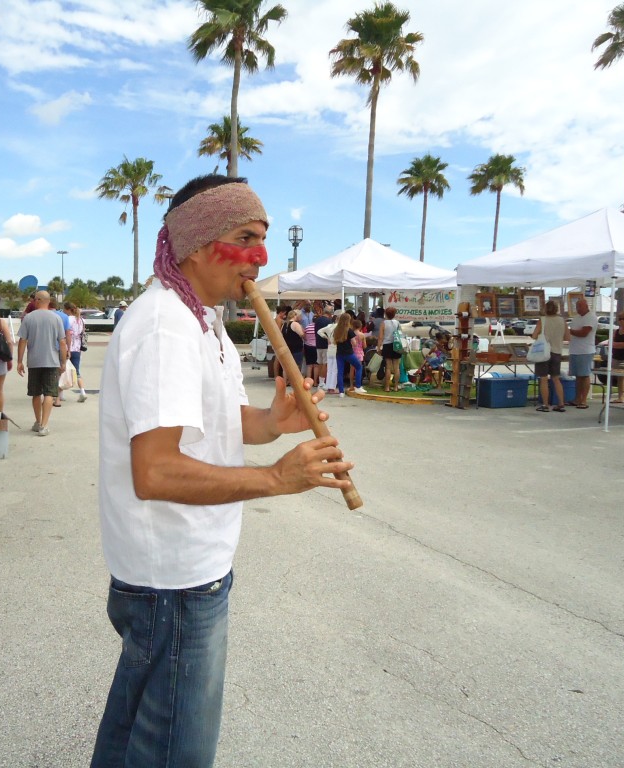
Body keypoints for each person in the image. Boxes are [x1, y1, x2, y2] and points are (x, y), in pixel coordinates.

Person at [92, 173, 353, 768]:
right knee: (174, 754)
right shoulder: (165, 327)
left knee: (134, 733)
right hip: (173, 581)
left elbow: (206, 420)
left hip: (178, 574)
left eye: (263, 238)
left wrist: (269, 423)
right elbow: (154, 471)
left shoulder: (198, 318)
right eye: (246, 237)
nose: (260, 257)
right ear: (198, 243)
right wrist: (276, 478)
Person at [16, 291, 67, 436]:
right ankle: (44, 425)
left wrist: (19, 361)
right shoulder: (56, 318)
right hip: (51, 361)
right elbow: (62, 342)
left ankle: (38, 422)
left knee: (36, 393)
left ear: (38, 300)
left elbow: (22, 341)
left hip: (34, 361)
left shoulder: (28, 318)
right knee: (50, 393)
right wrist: (63, 362)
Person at [532, 299, 569, 413]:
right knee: (556, 378)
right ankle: (561, 403)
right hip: (557, 352)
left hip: (544, 352)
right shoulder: (562, 321)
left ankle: (546, 404)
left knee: (544, 379)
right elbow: (568, 337)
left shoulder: (542, 320)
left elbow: (534, 335)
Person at [568, 297, 597, 409]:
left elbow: (584, 333)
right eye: (576, 306)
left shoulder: (591, 317)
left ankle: (584, 400)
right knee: (578, 376)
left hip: (585, 351)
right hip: (574, 350)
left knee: (584, 375)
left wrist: (569, 331)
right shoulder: (576, 318)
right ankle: (577, 399)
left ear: (586, 306)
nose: (578, 308)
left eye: (580, 306)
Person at [332, 312, 364, 396]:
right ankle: (358, 386)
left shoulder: (336, 330)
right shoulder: (349, 330)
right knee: (358, 367)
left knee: (340, 372)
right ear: (348, 320)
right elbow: (354, 343)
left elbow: (334, 341)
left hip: (339, 353)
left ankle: (341, 391)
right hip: (349, 353)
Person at [63, 301, 89, 403]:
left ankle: (60, 394)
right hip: (77, 348)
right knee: (77, 372)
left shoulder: (67, 319)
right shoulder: (81, 320)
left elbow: (66, 333)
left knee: (62, 370)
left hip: (67, 347)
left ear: (67, 309)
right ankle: (82, 391)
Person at [377, 306, 403, 392]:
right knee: (396, 367)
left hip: (387, 345)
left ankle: (387, 387)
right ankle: (396, 386)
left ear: (385, 314)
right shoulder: (397, 323)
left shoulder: (384, 323)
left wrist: (379, 347)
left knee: (388, 367)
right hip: (396, 345)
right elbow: (401, 334)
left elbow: (380, 337)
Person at [313, 302, 333, 389]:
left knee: (319, 363)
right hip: (326, 345)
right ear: (330, 313)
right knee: (325, 364)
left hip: (318, 344)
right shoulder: (329, 321)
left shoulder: (317, 320)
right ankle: (322, 382)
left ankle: (318, 381)